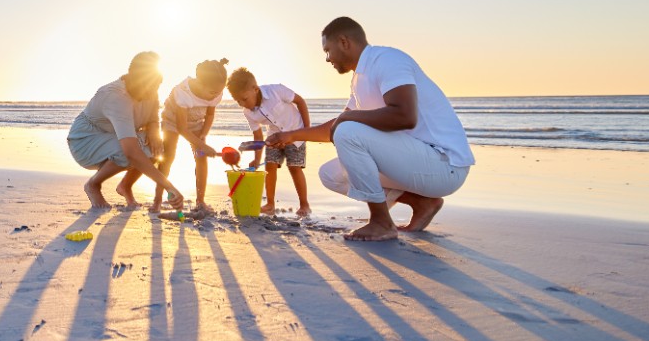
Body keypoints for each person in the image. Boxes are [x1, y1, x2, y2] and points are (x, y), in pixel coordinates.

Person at [269, 17, 474, 241]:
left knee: (348, 130)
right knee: (331, 174)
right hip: (420, 161)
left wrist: (348, 117)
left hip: (445, 164)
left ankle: (381, 223)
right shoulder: (359, 79)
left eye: (328, 51)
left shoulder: (387, 60)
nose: (327, 59)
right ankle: (423, 203)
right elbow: (335, 127)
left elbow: (405, 116)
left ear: (344, 42)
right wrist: (291, 135)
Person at [68, 52, 185, 211]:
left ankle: (125, 186)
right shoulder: (115, 96)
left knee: (155, 146)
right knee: (132, 151)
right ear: (134, 79)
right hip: (85, 141)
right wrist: (169, 186)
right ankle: (93, 184)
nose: (151, 93)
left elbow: (152, 118)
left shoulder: (151, 87)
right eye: (148, 88)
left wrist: (154, 132)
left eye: (155, 87)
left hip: (114, 137)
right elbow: (131, 152)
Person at [226, 67, 312, 216]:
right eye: (237, 101)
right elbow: (258, 136)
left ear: (255, 89)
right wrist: (256, 159)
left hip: (296, 132)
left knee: (294, 168)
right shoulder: (248, 112)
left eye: (244, 99)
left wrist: (306, 130)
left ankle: (304, 205)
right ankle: (270, 204)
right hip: (274, 137)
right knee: (270, 167)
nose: (242, 103)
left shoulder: (276, 91)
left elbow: (300, 101)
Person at [150, 58, 228, 216]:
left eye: (219, 92)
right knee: (168, 156)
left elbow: (210, 115)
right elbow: (182, 128)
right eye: (213, 92)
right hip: (173, 122)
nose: (216, 96)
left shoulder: (215, 93)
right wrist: (203, 145)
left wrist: (203, 136)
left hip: (197, 124)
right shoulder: (183, 93)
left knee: (201, 157)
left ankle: (200, 201)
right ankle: (157, 200)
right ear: (200, 83)